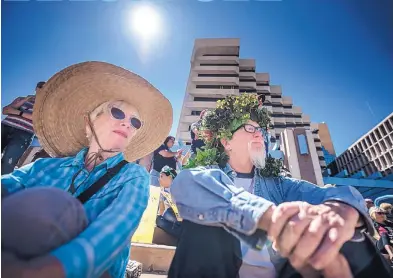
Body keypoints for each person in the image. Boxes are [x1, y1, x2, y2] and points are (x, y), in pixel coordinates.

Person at [168, 94, 392, 278]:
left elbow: (335, 193)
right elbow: (186, 184)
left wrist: (337, 209)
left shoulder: (278, 184)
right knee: (207, 225)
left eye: (260, 129)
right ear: (226, 142)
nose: (259, 133)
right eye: (248, 127)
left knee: (349, 238)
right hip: (222, 270)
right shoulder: (208, 174)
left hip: (281, 271)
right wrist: (269, 217)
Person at [1, 61, 173, 278]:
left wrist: (53, 269)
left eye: (135, 122)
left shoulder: (134, 176)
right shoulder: (43, 166)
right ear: (88, 121)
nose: (128, 124)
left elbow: (118, 227)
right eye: (118, 113)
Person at [1, 81, 45, 174]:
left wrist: (18, 112)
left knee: (8, 162)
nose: (41, 89)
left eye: (45, 87)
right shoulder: (22, 99)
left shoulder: (46, 105)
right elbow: (5, 110)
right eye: (40, 86)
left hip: (24, 133)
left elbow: (37, 118)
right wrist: (24, 100)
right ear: (36, 88)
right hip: (5, 126)